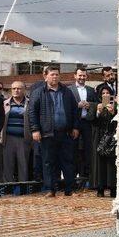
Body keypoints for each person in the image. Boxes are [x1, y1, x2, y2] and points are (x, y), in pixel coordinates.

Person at [29, 66, 80, 197]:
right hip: (47, 133)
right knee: (48, 162)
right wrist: (35, 129)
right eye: (52, 74)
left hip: (66, 133)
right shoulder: (38, 92)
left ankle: (70, 189)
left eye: (57, 74)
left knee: (68, 161)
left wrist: (75, 127)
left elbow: (75, 110)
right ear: (45, 76)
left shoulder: (67, 92)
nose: (55, 77)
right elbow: (32, 112)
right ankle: (50, 190)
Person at [69, 68, 98, 184]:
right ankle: (73, 178)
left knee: (88, 150)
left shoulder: (91, 90)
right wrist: (78, 105)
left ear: (87, 77)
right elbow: (66, 105)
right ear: (75, 76)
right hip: (74, 123)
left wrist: (89, 105)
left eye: (84, 76)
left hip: (87, 123)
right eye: (80, 76)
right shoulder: (69, 90)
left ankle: (87, 177)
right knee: (73, 150)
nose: (81, 78)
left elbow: (97, 103)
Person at [0, 81, 31, 182]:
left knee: (23, 164)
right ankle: (8, 187)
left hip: (24, 138)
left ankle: (23, 187)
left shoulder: (30, 103)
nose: (16, 91)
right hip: (8, 138)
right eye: (14, 88)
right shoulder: (4, 103)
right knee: (8, 164)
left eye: (19, 88)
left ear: (24, 90)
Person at [93, 86, 117, 197]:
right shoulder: (96, 105)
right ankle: (100, 187)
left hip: (112, 138)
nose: (105, 95)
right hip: (99, 137)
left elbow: (118, 122)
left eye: (108, 93)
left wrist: (113, 113)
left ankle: (112, 187)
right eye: (103, 93)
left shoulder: (115, 107)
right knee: (99, 163)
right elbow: (91, 120)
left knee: (111, 163)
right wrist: (98, 111)